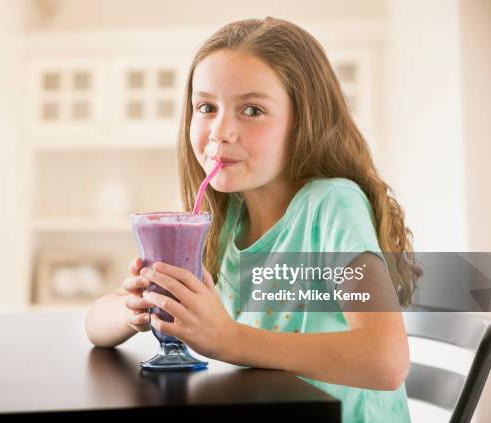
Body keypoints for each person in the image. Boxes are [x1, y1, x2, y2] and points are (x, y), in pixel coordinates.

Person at [85, 17, 420, 423]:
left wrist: (228, 340)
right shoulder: (226, 221)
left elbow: (385, 361)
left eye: (253, 110)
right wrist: (135, 308)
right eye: (206, 107)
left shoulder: (332, 205)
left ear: (304, 122)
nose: (221, 131)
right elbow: (93, 326)